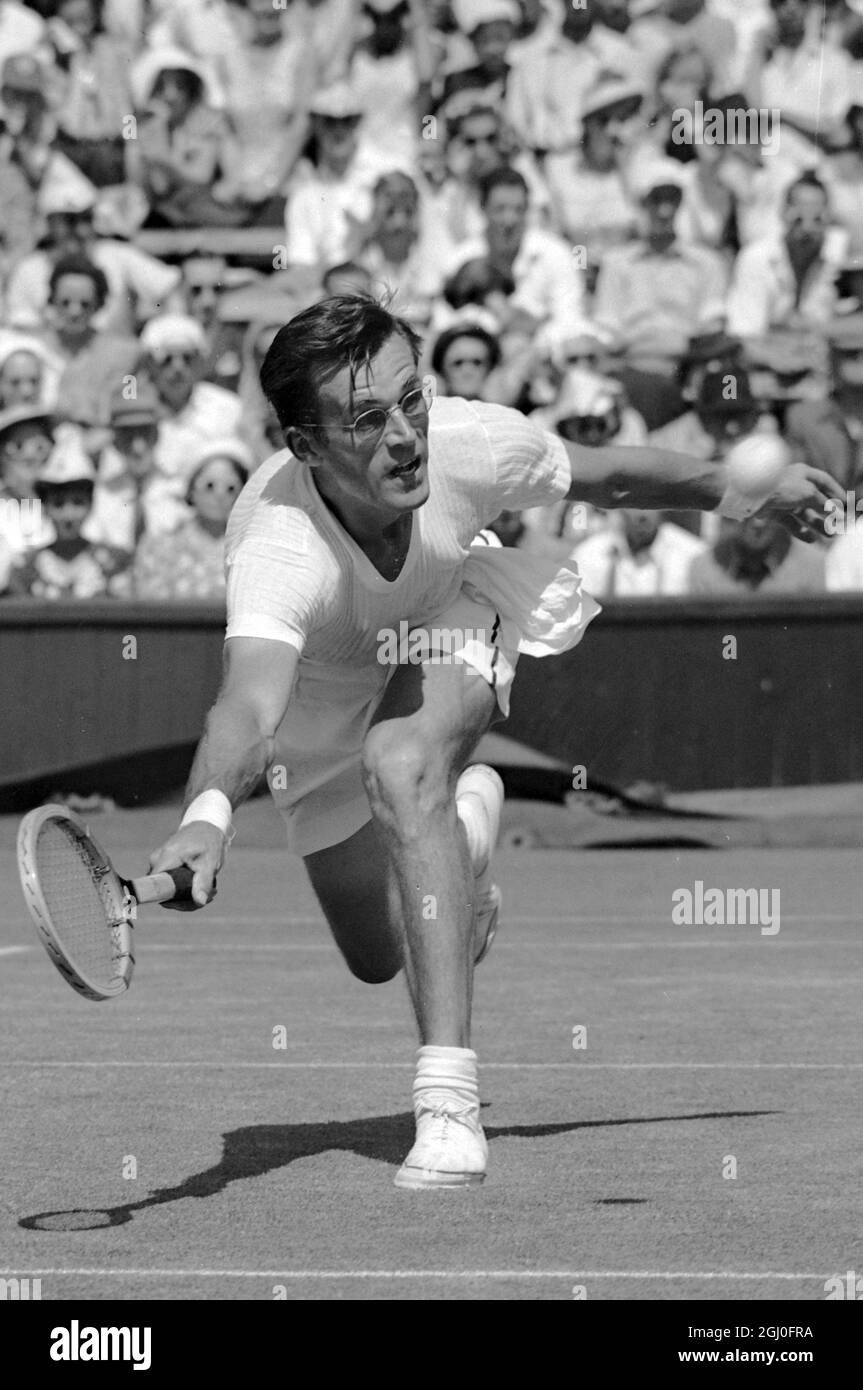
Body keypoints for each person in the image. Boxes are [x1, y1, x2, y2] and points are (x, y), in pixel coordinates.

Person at [146, 295, 836, 1190]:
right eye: (366, 418)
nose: (404, 435)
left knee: (402, 763)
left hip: (450, 612)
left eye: (411, 398)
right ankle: (463, 843)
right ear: (305, 446)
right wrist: (207, 815)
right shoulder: (276, 545)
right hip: (318, 713)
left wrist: (756, 494)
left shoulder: (467, 441)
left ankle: (447, 1107)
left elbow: (610, 477)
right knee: (377, 953)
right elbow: (247, 705)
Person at [8, 426, 130, 599]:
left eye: (78, 503)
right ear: (45, 507)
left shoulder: (114, 561)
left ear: (90, 505)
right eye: (58, 504)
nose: (68, 515)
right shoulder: (26, 568)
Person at [133, 439, 251, 600]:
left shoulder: (251, 551)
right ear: (191, 491)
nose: (219, 495)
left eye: (230, 488)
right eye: (210, 486)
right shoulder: (159, 546)